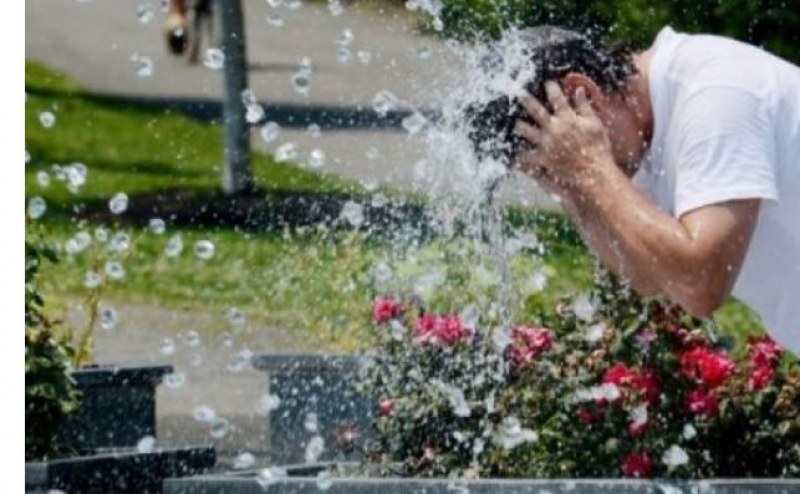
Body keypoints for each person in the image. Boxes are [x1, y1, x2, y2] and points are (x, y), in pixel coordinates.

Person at [511, 26, 799, 355]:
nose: (565, 179)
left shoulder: (716, 97)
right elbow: (645, 275)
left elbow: (699, 284)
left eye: (556, 166)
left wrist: (589, 167)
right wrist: (579, 188)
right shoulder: (637, 132)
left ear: (583, 95)